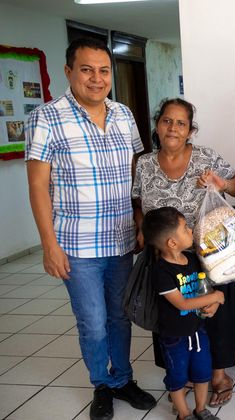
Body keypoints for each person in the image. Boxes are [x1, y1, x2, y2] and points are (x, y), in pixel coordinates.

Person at [24, 38, 156, 420]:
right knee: (93, 321)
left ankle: (124, 379)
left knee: (120, 316)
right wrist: (49, 245)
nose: (96, 79)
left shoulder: (123, 114)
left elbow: (134, 169)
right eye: (86, 70)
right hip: (76, 244)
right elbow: (37, 186)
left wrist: (138, 216)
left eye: (103, 71)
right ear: (69, 72)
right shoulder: (46, 117)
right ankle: (101, 383)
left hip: (120, 241)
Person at [132, 98, 235, 408]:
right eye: (167, 121)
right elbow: (137, 204)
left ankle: (219, 374)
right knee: (174, 314)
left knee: (215, 314)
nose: (173, 127)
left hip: (212, 253)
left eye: (180, 123)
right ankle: (180, 373)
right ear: (157, 125)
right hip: (166, 258)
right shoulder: (144, 163)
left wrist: (220, 182)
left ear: (190, 130)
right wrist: (142, 231)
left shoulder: (206, 157)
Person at [142, 207, 226, 420]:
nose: (191, 230)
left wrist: (213, 298)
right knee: (177, 376)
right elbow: (182, 303)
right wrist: (216, 297)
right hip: (174, 337)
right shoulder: (161, 271)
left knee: (202, 373)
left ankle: (201, 409)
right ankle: (184, 414)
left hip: (198, 332)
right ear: (172, 242)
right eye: (185, 228)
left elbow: (203, 286)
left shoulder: (192, 260)